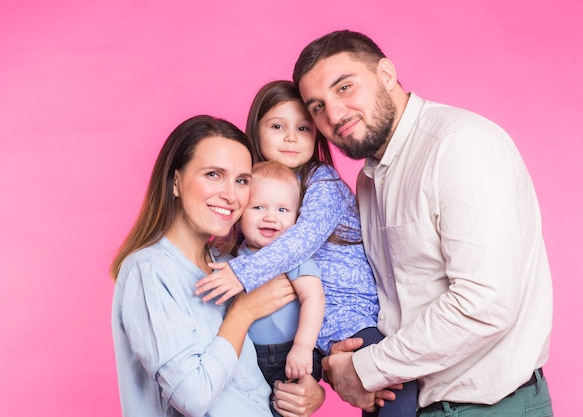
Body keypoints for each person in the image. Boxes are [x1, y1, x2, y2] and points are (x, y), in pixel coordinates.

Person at [292, 30, 554, 417]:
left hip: (488, 408)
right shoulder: (368, 181)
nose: (334, 114)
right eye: (317, 107)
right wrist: (339, 360)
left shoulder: (457, 144)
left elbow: (484, 304)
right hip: (406, 404)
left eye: (345, 87)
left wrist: (366, 369)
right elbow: (384, 301)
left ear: (385, 74)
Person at [196, 81, 412, 415]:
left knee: (393, 392)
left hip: (345, 315)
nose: (291, 137)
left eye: (303, 128)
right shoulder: (249, 183)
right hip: (291, 330)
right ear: (256, 130)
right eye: (278, 126)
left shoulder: (321, 181)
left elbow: (304, 238)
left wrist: (242, 272)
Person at [110, 115, 324, 417]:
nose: (230, 195)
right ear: (175, 182)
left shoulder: (231, 266)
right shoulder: (149, 271)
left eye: (241, 180)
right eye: (213, 174)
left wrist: (309, 390)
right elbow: (193, 398)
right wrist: (243, 312)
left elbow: (258, 376)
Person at [237, 160, 325, 416]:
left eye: (283, 210)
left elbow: (314, 298)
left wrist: (303, 347)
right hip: (248, 356)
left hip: (289, 353)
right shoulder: (235, 259)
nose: (270, 217)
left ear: (297, 217)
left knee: (286, 408)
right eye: (258, 207)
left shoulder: (293, 258)